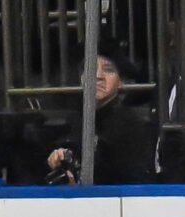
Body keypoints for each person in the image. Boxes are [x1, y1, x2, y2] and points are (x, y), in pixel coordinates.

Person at [45, 46, 156, 185]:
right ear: (81, 78)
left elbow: (135, 180)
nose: (98, 76)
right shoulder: (75, 120)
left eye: (108, 70)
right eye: (90, 68)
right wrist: (58, 158)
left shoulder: (132, 125)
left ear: (121, 81)